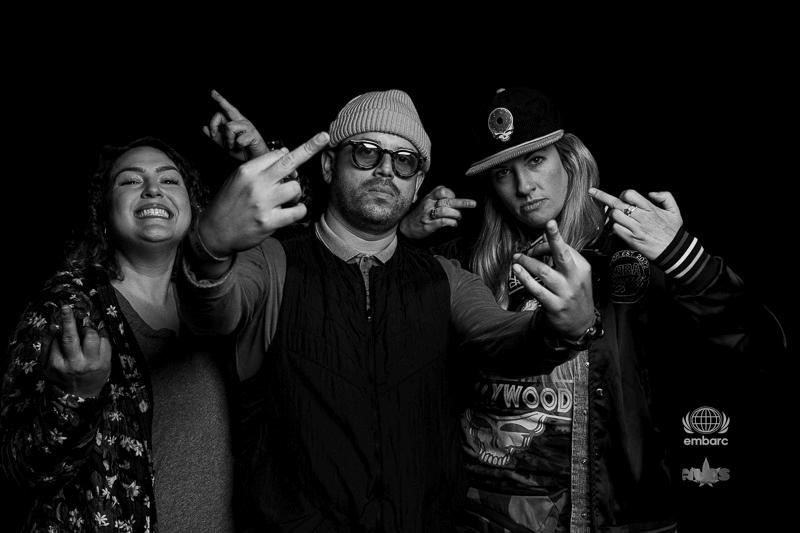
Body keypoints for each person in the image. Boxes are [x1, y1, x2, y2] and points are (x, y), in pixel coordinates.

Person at [175, 88, 601, 532]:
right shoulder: (271, 264)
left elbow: (507, 340)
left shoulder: (446, 278)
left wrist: (564, 328)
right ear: (328, 165)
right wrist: (209, 246)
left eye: (404, 161)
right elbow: (211, 313)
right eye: (365, 152)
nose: (385, 169)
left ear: (416, 184)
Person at [400, 86, 783, 533]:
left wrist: (684, 257)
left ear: (569, 159)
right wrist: (402, 236)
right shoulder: (465, 257)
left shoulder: (630, 252)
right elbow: (376, 323)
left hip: (606, 518)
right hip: (478, 518)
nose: (524, 186)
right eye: (504, 172)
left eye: (536, 160)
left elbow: (761, 349)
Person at [1, 92, 264, 532]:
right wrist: (75, 397)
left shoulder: (219, 298)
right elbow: (20, 468)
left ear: (195, 206)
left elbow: (301, 266)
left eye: (170, 180)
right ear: (104, 213)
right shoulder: (69, 305)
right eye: (129, 181)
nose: (152, 189)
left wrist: (258, 159)